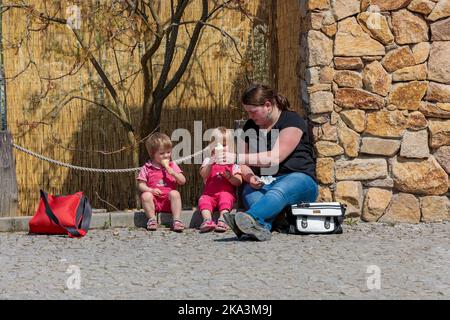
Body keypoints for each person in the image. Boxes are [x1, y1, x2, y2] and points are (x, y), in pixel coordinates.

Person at [222, 83, 318, 241]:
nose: (250, 116)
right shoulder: (250, 126)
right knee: (251, 193)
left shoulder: (292, 120)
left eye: (253, 112)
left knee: (279, 191)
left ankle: (248, 218)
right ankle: (259, 228)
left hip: (300, 180)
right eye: (247, 112)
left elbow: (274, 158)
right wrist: (250, 177)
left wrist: (236, 158)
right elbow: (244, 164)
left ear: (267, 105)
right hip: (265, 182)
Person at [137, 133, 187, 232]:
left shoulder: (173, 165)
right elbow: (141, 185)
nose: (166, 156)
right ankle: (152, 219)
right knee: (145, 195)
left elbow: (182, 181)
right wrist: (150, 190)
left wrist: (174, 174)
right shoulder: (147, 167)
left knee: (175, 193)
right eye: (162, 153)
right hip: (154, 200)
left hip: (168, 201)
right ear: (152, 154)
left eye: (168, 152)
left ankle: (176, 220)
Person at [198, 127, 242, 233]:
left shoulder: (233, 163)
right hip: (210, 194)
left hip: (225, 192)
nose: (220, 148)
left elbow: (239, 181)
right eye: (217, 144)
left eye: (224, 145)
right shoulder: (208, 161)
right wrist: (210, 163)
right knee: (203, 200)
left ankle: (223, 219)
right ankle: (207, 220)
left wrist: (230, 177)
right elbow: (203, 175)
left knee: (225, 198)